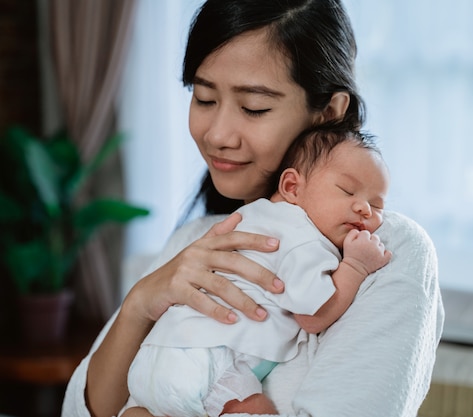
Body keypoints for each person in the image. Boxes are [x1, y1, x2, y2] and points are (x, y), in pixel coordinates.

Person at [62, 1, 444, 416]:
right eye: (204, 98)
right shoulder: (196, 240)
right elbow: (83, 410)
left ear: (329, 112)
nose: (218, 134)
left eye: (254, 108)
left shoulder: (384, 252)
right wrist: (140, 302)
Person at [120, 124, 392, 417]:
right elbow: (313, 317)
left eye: (377, 206)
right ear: (292, 187)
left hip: (156, 353)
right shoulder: (304, 239)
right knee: (256, 410)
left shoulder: (253, 215)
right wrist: (356, 265)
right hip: (213, 364)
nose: (364, 209)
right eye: (347, 191)